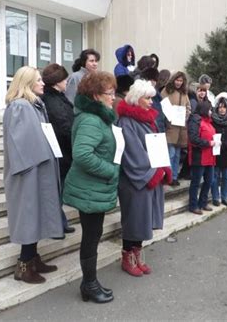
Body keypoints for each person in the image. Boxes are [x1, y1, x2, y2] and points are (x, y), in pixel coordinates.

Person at [3, 66, 63, 284]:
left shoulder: (34, 106)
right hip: (28, 174)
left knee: (36, 216)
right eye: (38, 80)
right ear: (26, 83)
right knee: (29, 217)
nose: (42, 83)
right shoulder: (20, 107)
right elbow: (20, 145)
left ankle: (33, 259)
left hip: (38, 171)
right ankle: (23, 265)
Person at [63, 71, 119, 303]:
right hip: (90, 189)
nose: (114, 97)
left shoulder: (97, 117)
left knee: (93, 235)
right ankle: (89, 284)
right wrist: (111, 170)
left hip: (94, 188)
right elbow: (82, 154)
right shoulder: (91, 119)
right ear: (96, 96)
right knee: (90, 237)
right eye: (110, 93)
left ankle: (90, 283)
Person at [116, 79, 172, 277]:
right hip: (136, 180)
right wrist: (153, 173)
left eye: (151, 98)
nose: (151, 102)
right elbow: (132, 152)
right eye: (147, 98)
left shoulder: (148, 119)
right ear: (136, 98)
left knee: (144, 219)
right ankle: (127, 256)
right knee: (134, 219)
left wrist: (162, 167)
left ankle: (137, 253)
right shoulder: (126, 121)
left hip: (150, 176)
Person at [41, 63, 75, 235]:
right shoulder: (53, 101)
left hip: (63, 152)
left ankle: (60, 222)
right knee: (56, 192)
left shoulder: (58, 97)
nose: (67, 81)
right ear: (56, 82)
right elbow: (64, 128)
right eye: (64, 79)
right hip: (60, 153)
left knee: (58, 191)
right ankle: (56, 225)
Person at [161, 71, 191, 186]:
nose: (178, 82)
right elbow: (162, 104)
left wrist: (185, 115)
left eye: (181, 81)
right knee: (171, 153)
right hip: (170, 126)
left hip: (181, 127)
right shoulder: (166, 91)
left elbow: (188, 107)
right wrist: (169, 115)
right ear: (173, 80)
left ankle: (174, 176)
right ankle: (167, 176)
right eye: (177, 80)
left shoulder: (184, 93)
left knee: (177, 154)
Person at [188, 100, 216, 214]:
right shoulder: (196, 120)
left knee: (209, 180)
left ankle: (203, 202)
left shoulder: (209, 122)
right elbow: (193, 139)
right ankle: (193, 205)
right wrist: (208, 143)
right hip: (199, 156)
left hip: (210, 156)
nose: (211, 112)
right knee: (196, 182)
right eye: (210, 109)